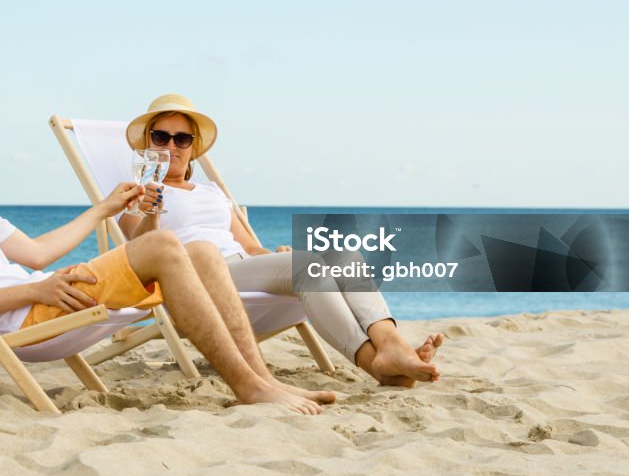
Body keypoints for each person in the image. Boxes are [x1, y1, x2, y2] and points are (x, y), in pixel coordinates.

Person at [0, 70, 333, 413]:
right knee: (163, 247)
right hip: (25, 320)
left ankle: (261, 379)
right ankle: (250, 386)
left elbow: (36, 252)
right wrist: (34, 289)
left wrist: (104, 208)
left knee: (197, 250)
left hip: (45, 296)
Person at [121, 94, 445, 387]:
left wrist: (274, 258)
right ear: (148, 144)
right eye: (161, 136)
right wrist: (152, 211)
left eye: (182, 138)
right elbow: (139, 253)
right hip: (200, 279)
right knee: (307, 268)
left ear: (193, 148)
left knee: (346, 256)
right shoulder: (134, 194)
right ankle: (374, 364)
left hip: (242, 272)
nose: (171, 146)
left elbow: (248, 248)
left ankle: (390, 344)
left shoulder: (212, 191)